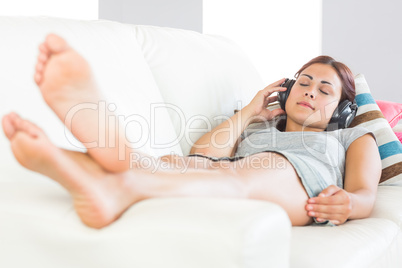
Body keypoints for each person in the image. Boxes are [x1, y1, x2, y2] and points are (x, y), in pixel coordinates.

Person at [2, 34, 381, 229]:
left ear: (344, 109)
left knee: (235, 176)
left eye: (324, 89)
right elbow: (201, 156)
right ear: (287, 89)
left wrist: (350, 205)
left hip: (298, 183)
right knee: (178, 164)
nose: (310, 92)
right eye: (304, 82)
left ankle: (118, 179)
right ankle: (108, 166)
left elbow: (365, 193)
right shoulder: (256, 127)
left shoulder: (350, 137)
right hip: (229, 173)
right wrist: (250, 112)